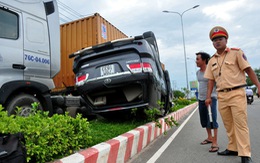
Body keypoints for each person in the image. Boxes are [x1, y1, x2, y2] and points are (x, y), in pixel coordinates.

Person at [204, 26, 260, 163]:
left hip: (237, 93)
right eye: (215, 40)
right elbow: (211, 80)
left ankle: (245, 154)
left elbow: (248, 70)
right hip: (222, 96)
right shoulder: (212, 60)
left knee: (240, 124)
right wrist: (208, 97)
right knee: (228, 124)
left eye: (220, 39)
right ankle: (233, 148)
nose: (217, 42)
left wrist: (259, 85)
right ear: (212, 43)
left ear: (226, 40)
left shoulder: (236, 53)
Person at [195, 52, 219, 153]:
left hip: (211, 98)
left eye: (198, 59)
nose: (196, 61)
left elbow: (215, 84)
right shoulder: (198, 73)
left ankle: (215, 142)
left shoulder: (211, 71)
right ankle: (209, 137)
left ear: (204, 60)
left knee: (213, 118)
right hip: (201, 99)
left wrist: (210, 96)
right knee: (205, 119)